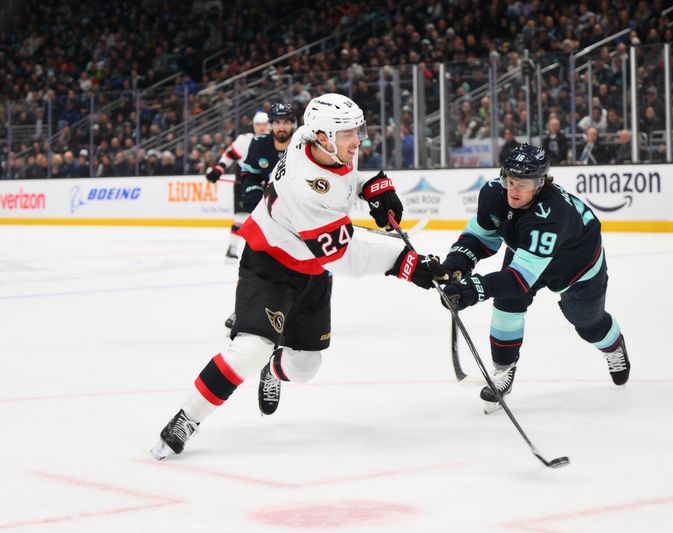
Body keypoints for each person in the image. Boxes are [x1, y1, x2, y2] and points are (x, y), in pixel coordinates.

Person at [152, 94, 447, 459]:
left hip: (312, 270)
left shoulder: (313, 143)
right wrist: (406, 261)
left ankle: (274, 371)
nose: (358, 140)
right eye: (349, 133)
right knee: (250, 349)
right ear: (322, 136)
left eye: (358, 129)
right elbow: (343, 254)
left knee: (306, 367)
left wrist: (373, 186)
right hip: (270, 264)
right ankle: (187, 418)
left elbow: (344, 179)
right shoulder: (306, 184)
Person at [440, 144, 630, 412]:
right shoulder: (494, 193)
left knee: (587, 322)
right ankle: (503, 371)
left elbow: (519, 280)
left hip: (576, 264)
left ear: (540, 184)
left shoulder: (550, 215)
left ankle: (613, 345)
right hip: (527, 250)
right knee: (506, 306)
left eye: (523, 184)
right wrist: (455, 265)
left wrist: (473, 289)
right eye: (510, 180)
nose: (514, 190)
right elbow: (480, 237)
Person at [206, 103, 297, 328]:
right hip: (266, 210)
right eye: (276, 122)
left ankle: (295, 314)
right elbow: (244, 167)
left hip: (295, 219)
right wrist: (220, 170)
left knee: (295, 267)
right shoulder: (251, 141)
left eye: (286, 122)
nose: (280, 126)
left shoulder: (302, 144)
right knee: (253, 263)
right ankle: (243, 310)